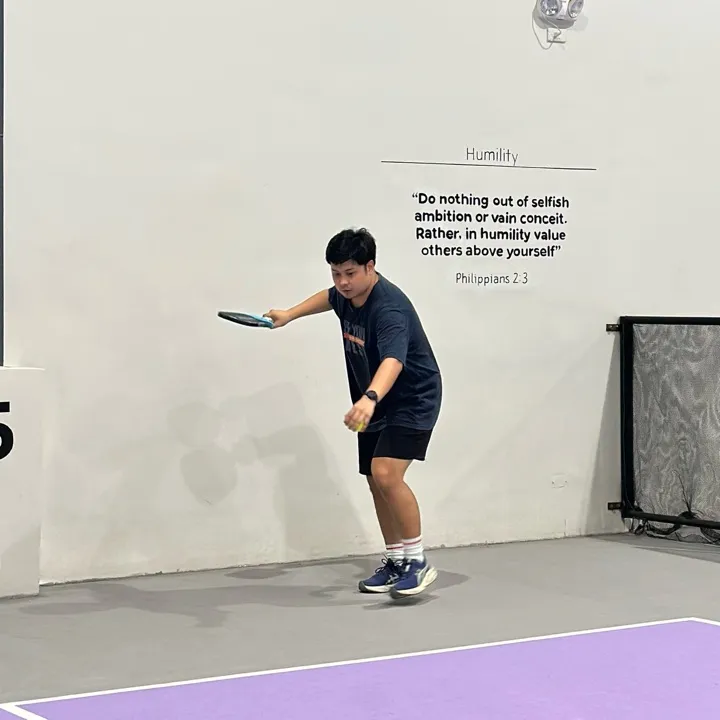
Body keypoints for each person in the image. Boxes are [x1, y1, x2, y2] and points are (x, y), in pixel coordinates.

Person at [264, 227, 442, 599]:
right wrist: (290, 314)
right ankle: (396, 561)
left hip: (412, 397)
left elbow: (393, 361)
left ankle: (417, 562)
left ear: (370, 267)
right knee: (374, 479)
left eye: (350, 273)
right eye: (336, 273)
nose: (342, 282)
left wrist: (370, 397)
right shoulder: (345, 294)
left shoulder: (388, 309)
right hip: (374, 399)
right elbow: (328, 298)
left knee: (386, 473)